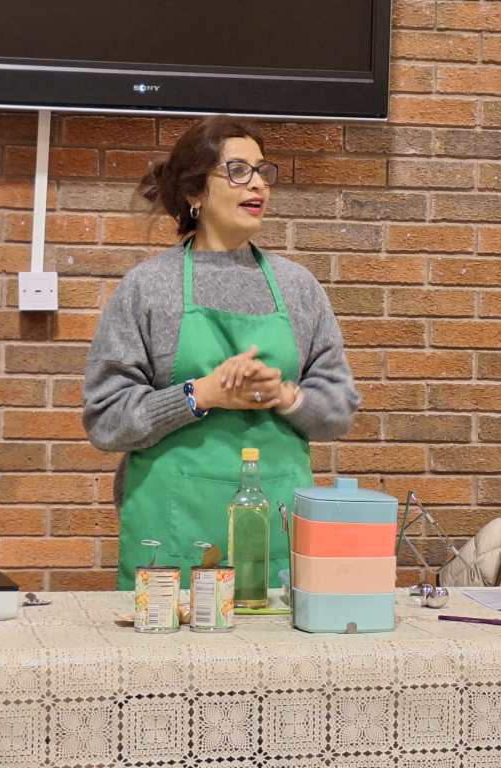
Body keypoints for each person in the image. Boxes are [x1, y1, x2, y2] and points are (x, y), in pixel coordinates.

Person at [83, 116, 360, 590]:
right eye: (237, 170)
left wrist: (285, 395)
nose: (257, 184)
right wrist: (202, 394)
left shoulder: (299, 289)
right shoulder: (148, 288)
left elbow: (339, 410)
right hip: (170, 541)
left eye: (262, 170)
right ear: (195, 192)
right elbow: (106, 420)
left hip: (274, 539)